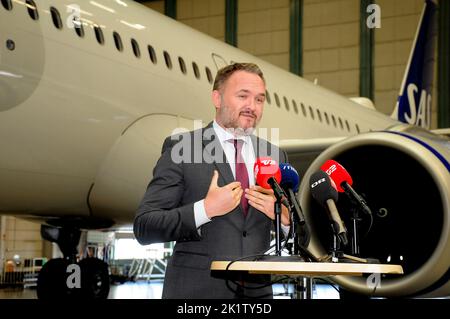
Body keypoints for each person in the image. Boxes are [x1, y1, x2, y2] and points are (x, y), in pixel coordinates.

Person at [134, 62, 291, 299]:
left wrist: (285, 218)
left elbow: (302, 235)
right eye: (243, 96)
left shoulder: (275, 156)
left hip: (257, 295)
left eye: (259, 99)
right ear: (217, 98)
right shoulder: (183, 148)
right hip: (197, 294)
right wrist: (204, 210)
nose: (252, 106)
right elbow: (145, 227)